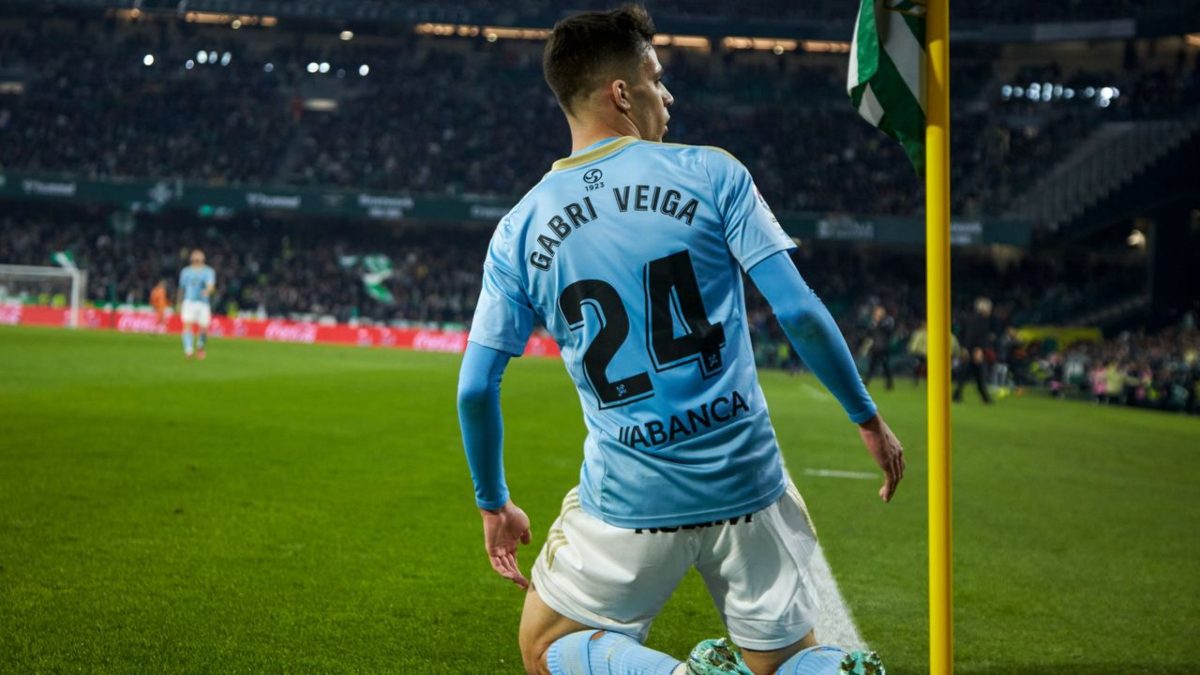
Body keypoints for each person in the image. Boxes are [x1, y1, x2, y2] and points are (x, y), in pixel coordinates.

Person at [456, 7, 905, 675]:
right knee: (783, 660)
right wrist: (867, 418)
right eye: (656, 78)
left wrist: (493, 500)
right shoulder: (713, 173)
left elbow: (474, 386)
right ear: (620, 92)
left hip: (629, 499)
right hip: (748, 482)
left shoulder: (520, 228)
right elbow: (799, 311)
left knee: (546, 647)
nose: (666, 94)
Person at [953, 297, 993, 404]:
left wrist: (963, 348)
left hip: (969, 349)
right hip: (974, 350)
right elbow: (976, 336)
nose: (990, 310)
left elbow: (962, 334)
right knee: (976, 373)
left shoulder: (969, 318)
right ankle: (984, 397)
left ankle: (958, 394)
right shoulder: (981, 321)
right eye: (989, 308)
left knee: (970, 373)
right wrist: (978, 349)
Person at [177, 249, 215, 360]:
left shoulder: (208, 271)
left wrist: (207, 291)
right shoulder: (185, 272)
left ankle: (200, 346)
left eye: (199, 257)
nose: (197, 259)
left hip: (203, 303)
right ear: (191, 258)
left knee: (204, 328)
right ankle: (188, 350)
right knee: (187, 325)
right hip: (189, 302)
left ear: (203, 258)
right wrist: (179, 302)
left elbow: (211, 285)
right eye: (195, 257)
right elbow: (181, 288)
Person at [862, 305, 895, 391]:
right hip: (876, 347)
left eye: (879, 311)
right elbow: (869, 332)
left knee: (885, 366)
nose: (877, 313)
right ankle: (866, 382)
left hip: (884, 347)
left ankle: (889, 383)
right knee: (872, 365)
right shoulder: (874, 322)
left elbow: (888, 330)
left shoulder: (888, 320)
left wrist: (877, 322)